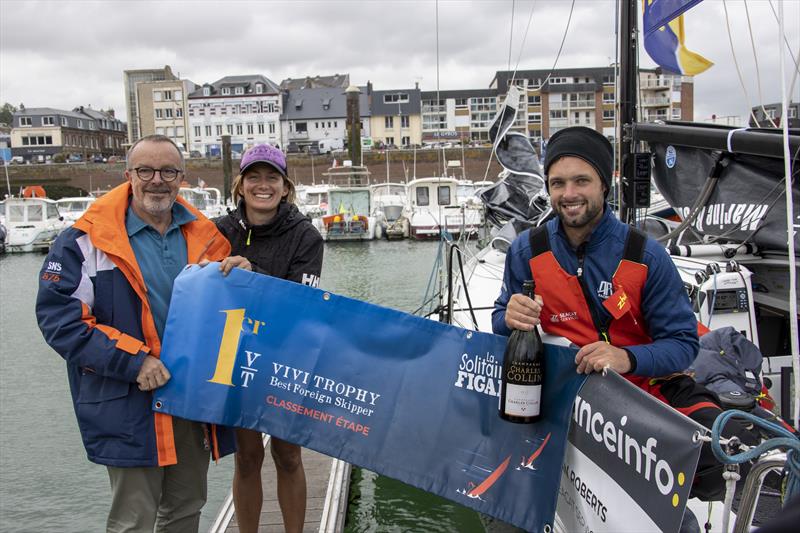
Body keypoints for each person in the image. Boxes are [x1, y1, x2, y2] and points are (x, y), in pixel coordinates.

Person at [492, 126, 754, 503]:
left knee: (700, 476)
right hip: (564, 401)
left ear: (604, 185)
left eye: (581, 181)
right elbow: (501, 320)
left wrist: (625, 357)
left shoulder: (645, 257)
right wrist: (509, 317)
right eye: (558, 183)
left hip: (637, 403)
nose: (569, 195)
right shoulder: (525, 250)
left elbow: (682, 346)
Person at [36, 134, 235, 532]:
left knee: (186, 507)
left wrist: (243, 279)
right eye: (145, 170)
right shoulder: (84, 241)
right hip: (127, 398)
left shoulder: (206, 237)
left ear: (183, 177)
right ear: (128, 174)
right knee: (134, 519)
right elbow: (59, 318)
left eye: (168, 171)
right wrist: (133, 360)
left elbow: (229, 319)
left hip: (190, 398)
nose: (156, 180)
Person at [214, 144, 323, 533]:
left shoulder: (306, 236)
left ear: (285, 186)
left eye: (272, 177)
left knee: (288, 454)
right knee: (246, 457)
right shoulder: (218, 231)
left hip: (287, 354)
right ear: (240, 185)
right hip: (237, 354)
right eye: (254, 177)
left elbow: (302, 302)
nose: (263, 185)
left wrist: (251, 273)